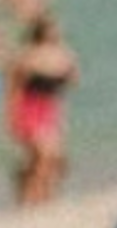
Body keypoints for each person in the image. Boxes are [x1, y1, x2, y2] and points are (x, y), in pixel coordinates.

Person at [6, 14, 78, 206]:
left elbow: (72, 81)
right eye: (53, 29)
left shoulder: (60, 55)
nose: (56, 33)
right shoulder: (26, 57)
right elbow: (14, 89)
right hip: (29, 109)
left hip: (49, 110)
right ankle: (33, 196)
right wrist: (11, 117)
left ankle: (34, 190)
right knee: (44, 156)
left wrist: (64, 59)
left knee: (52, 159)